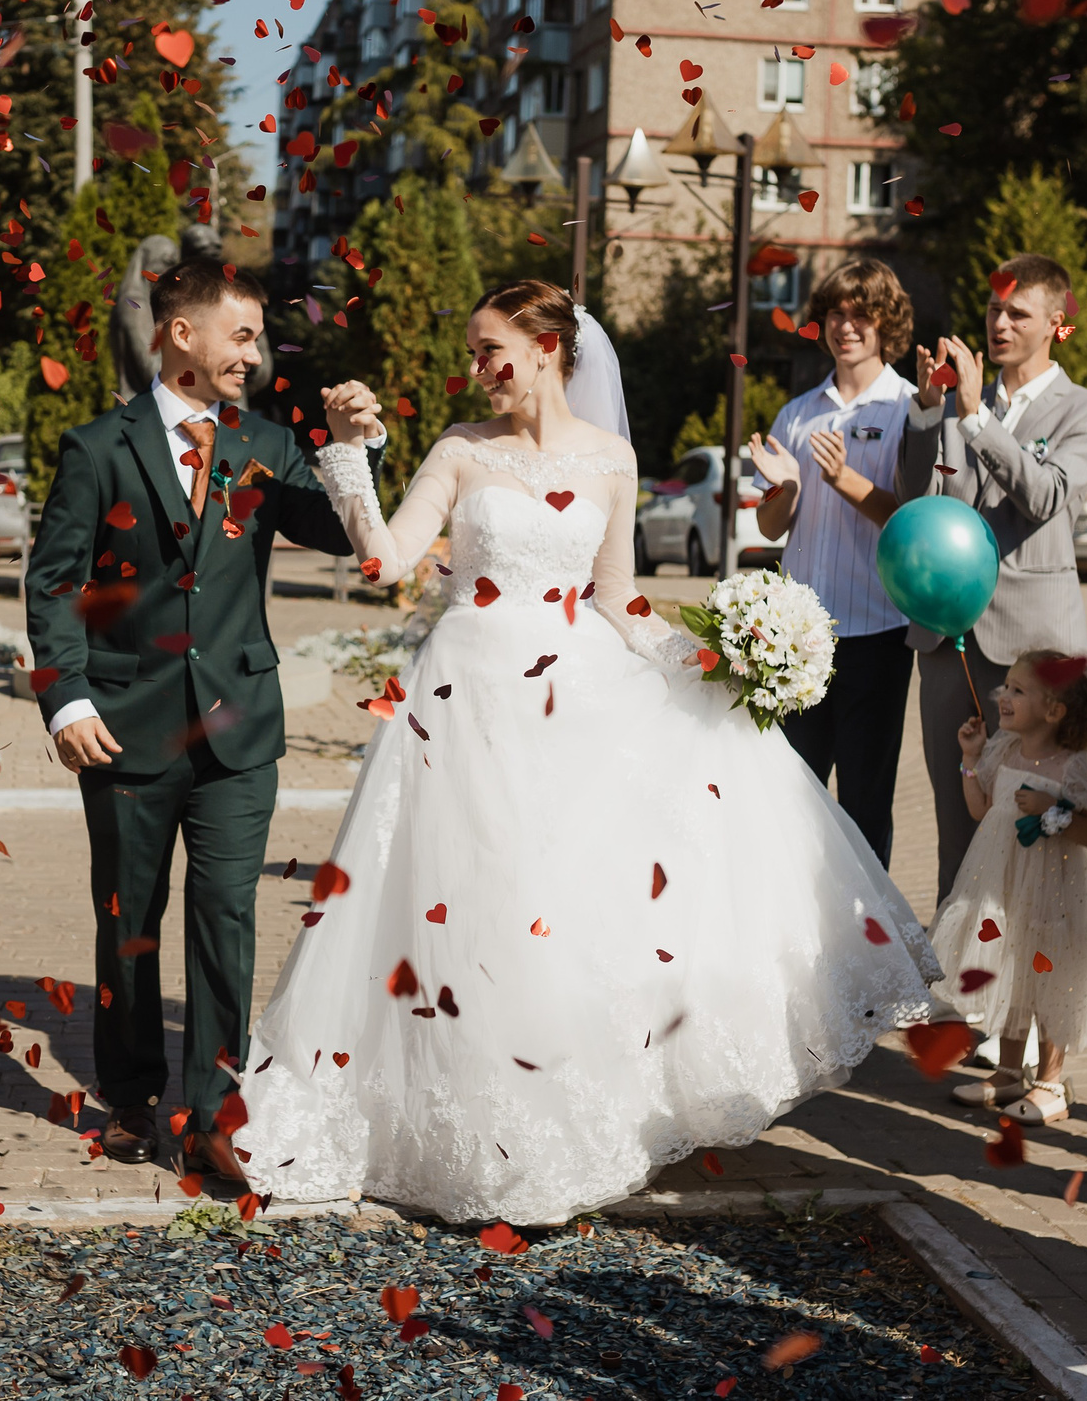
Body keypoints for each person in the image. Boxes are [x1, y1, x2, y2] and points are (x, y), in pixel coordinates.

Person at [233, 280, 940, 1224]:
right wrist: (354, 457)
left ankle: (561, 1122)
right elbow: (390, 561)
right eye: (474, 350)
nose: (478, 366)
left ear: (547, 346)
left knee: (559, 911)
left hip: (577, 703)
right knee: (471, 905)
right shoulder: (458, 452)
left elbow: (619, 599)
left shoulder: (612, 459)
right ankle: (468, 1124)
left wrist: (715, 655)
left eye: (493, 348)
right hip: (468, 697)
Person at [23, 255, 380, 1185]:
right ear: (183, 334)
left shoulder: (264, 440)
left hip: (238, 724)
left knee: (225, 914)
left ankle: (216, 1111)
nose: (253, 356)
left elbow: (337, 529)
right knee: (129, 920)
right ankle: (134, 1093)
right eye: (243, 335)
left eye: (258, 338)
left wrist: (349, 447)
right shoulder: (98, 447)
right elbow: (54, 583)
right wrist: (65, 695)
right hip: (125, 726)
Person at [897, 252, 1087, 899]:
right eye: (994, 309)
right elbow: (913, 497)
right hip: (947, 639)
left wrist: (973, 417)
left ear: (1056, 322)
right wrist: (924, 411)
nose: (999, 323)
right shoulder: (953, 402)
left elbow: (1045, 496)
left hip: (1033, 651)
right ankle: (958, 975)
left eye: (1017, 312)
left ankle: (1028, 971)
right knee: (957, 816)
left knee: (1035, 821)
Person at [747, 260, 918, 866]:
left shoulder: (909, 408)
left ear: (886, 323)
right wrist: (786, 493)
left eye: (861, 315)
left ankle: (871, 944)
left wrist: (844, 479)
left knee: (866, 806)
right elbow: (769, 526)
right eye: (836, 314)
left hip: (875, 633)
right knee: (790, 798)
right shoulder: (796, 413)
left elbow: (912, 522)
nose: (845, 326)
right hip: (797, 640)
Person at [932, 651, 1087, 1126]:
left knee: (1049, 975)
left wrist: (1052, 809)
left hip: (1053, 890)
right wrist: (970, 758)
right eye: (1006, 686)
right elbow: (979, 809)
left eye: (1018, 690)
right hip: (1003, 883)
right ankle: (1008, 1072)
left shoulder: (1073, 767)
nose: (1003, 696)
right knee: (1012, 969)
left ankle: (1051, 1082)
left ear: (1055, 709)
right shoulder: (1002, 751)